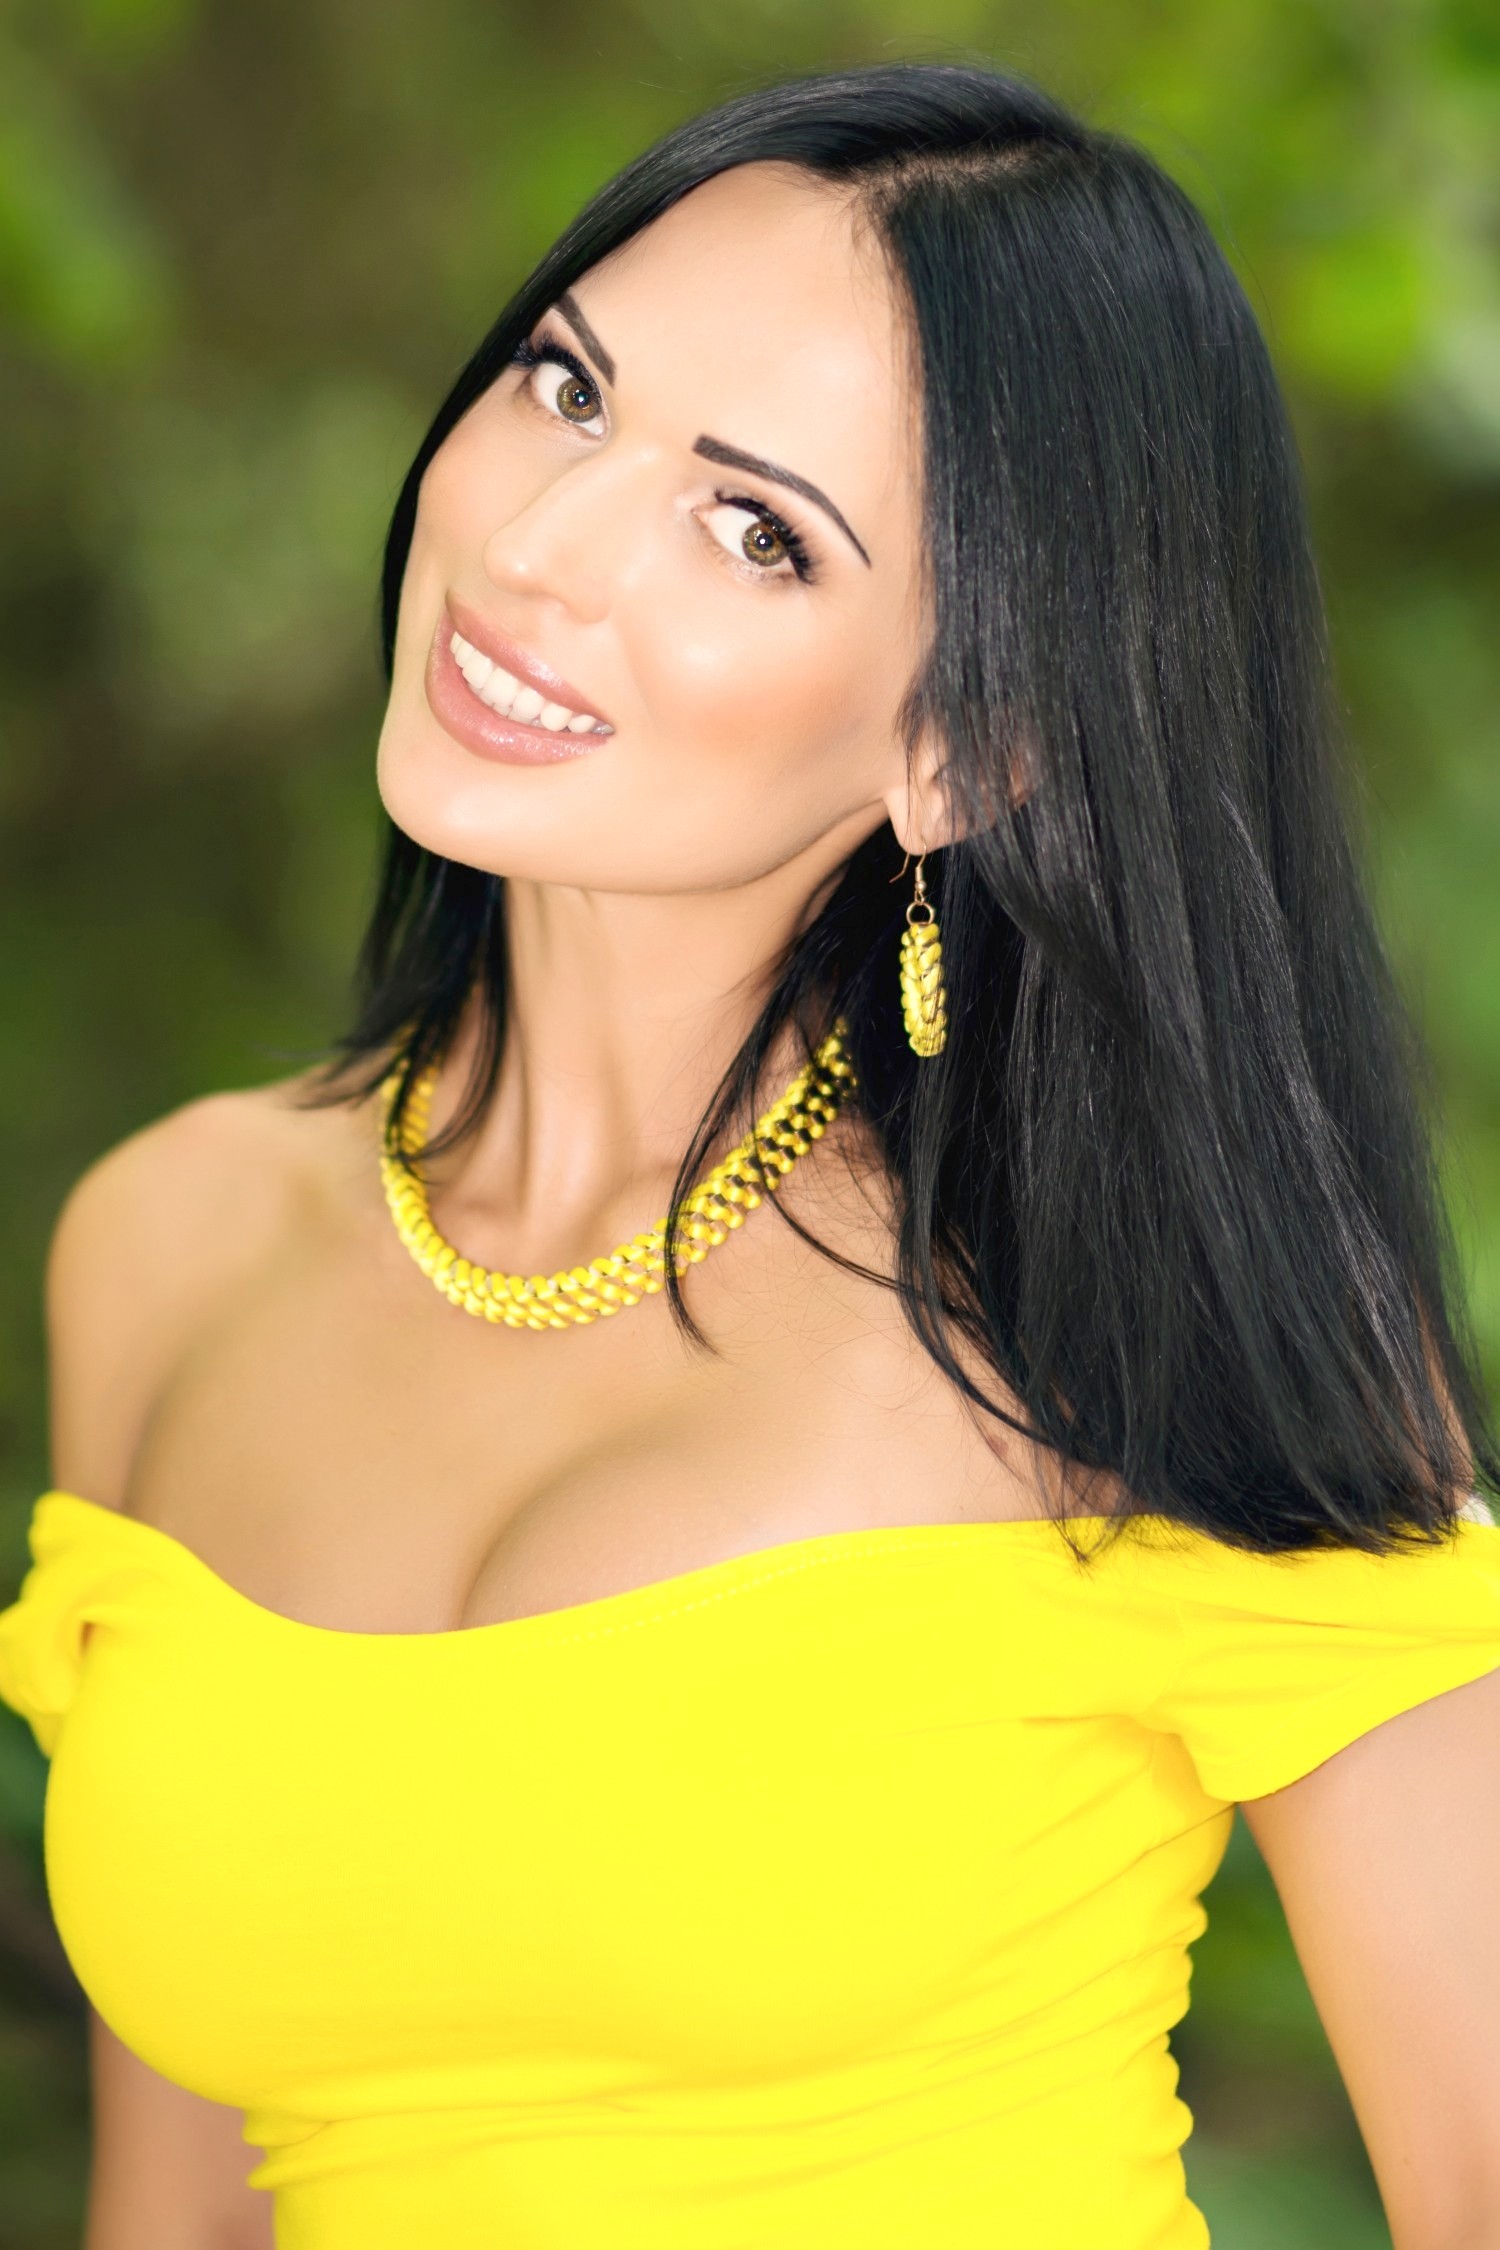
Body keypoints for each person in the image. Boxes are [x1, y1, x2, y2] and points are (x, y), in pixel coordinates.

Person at [1, 57, 1498, 2250]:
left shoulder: (1139, 1324)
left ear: (970, 745)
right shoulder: (170, 1244)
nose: (534, 548)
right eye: (567, 386)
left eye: (757, 529)